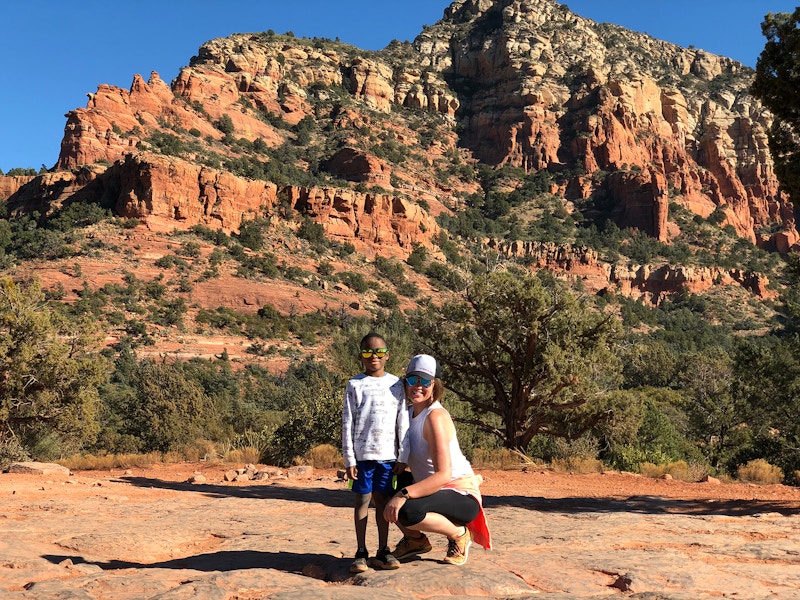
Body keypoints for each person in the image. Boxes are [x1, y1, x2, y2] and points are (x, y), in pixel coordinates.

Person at [384, 354, 492, 566]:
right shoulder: (407, 414)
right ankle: (416, 541)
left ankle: (459, 534)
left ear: (435, 386)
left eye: (425, 381)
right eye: (413, 379)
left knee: (407, 510)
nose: (418, 386)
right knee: (378, 485)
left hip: (459, 494)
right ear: (405, 382)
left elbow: (444, 475)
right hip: (430, 488)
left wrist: (403, 494)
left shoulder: (435, 417)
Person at [341, 332, 409, 573]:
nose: (374, 357)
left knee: (383, 502)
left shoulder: (396, 385)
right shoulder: (355, 384)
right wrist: (349, 458)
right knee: (361, 500)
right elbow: (347, 422)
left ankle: (383, 551)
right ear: (361, 356)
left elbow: (403, 420)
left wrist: (404, 455)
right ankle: (361, 552)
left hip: (388, 456)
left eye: (379, 352)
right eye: (368, 353)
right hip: (362, 457)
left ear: (387, 355)